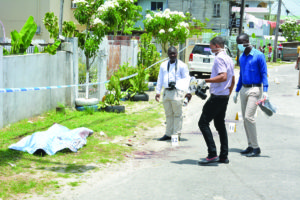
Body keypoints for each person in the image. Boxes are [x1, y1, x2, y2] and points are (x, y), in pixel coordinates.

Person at [198, 36, 235, 164]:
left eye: (211, 46)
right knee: (220, 125)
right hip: (224, 96)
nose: (210, 49)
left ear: (217, 46)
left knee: (203, 123)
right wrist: (227, 94)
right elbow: (232, 79)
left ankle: (212, 153)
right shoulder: (229, 58)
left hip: (217, 96)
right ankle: (224, 155)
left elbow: (223, 77)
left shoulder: (219, 58)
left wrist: (205, 80)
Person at [233, 33, 269, 157]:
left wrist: (265, 90)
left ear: (247, 42)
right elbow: (241, 75)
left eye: (240, 42)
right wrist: (237, 91)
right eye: (237, 43)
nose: (239, 45)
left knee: (249, 117)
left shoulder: (259, 55)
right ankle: (250, 145)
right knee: (244, 119)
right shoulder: (242, 57)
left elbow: (264, 73)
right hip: (244, 88)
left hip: (255, 89)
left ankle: (256, 147)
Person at [155, 46, 191, 141]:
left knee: (177, 114)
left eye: (174, 53)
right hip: (166, 92)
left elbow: (187, 79)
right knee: (168, 114)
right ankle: (168, 133)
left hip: (177, 92)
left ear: (177, 54)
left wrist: (188, 92)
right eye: (170, 53)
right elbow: (160, 78)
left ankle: (176, 134)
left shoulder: (182, 65)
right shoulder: (163, 65)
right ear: (168, 54)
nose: (172, 55)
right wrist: (158, 92)